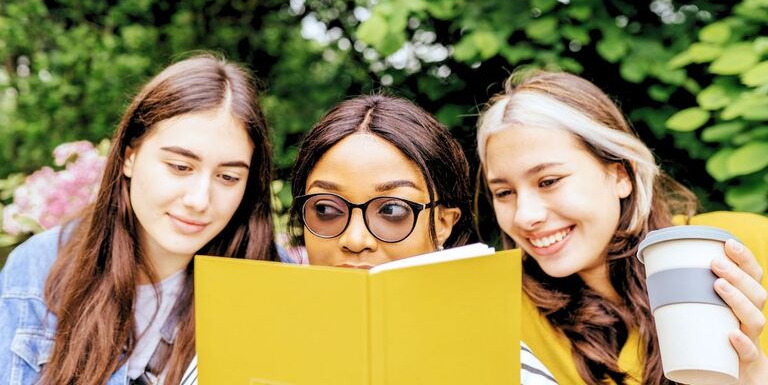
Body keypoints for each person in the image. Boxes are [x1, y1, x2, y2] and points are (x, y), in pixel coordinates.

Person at [179, 94, 558, 385]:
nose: (355, 239)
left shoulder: (503, 363)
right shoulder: (235, 345)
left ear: (443, 223)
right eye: (326, 209)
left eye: (392, 211)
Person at [476, 70, 768, 384]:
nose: (524, 216)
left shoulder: (740, 246)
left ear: (620, 176)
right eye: (504, 193)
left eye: (548, 181)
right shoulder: (508, 312)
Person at [0, 54, 276, 385]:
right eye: (180, 167)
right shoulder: (38, 268)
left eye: (228, 177)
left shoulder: (275, 286)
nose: (199, 200)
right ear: (130, 157)